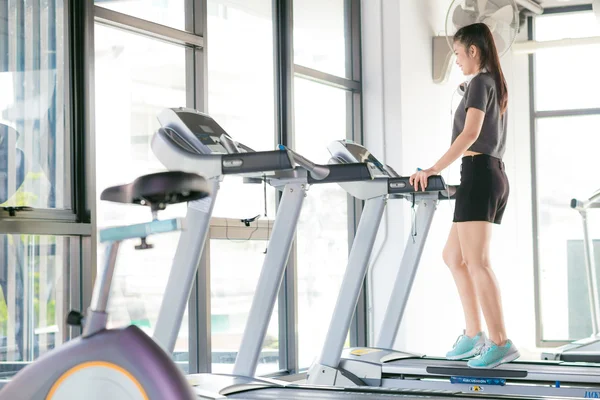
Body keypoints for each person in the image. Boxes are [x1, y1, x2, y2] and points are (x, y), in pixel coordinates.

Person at [409, 22, 520, 369]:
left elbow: (470, 134)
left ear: (473, 50)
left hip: (480, 174)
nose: (455, 60)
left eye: (458, 53)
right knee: (453, 256)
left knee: (477, 262)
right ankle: (474, 334)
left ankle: (500, 341)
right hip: (487, 174)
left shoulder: (480, 84)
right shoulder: (490, 84)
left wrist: (431, 169)